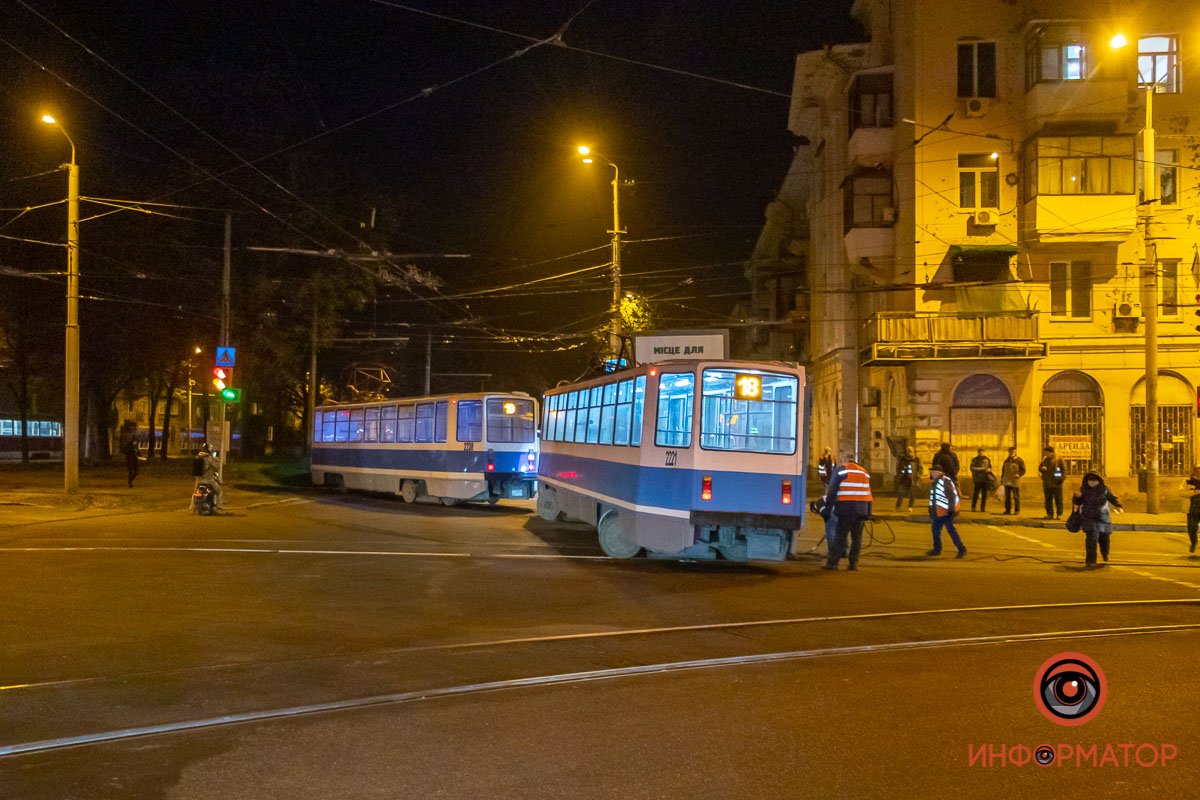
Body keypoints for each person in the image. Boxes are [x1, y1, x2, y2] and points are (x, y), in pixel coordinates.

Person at [822, 452, 872, 571]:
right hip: (861, 510)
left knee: (840, 536)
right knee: (857, 538)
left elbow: (832, 491)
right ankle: (853, 564)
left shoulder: (841, 471)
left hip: (846, 510)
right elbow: (869, 494)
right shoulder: (864, 472)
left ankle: (833, 563)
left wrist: (828, 509)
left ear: (845, 461)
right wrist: (869, 513)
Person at [1072, 471, 1123, 568]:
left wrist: (1119, 506)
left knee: (1104, 537)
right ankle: (1091, 560)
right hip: (1088, 516)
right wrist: (1076, 497)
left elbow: (1112, 498)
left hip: (1102, 516)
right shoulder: (1083, 490)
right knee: (1092, 537)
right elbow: (1077, 502)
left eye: (1094, 480)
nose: (1092, 482)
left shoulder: (1104, 490)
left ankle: (1105, 553)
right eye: (1090, 480)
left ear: (1099, 480)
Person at [927, 465, 967, 558]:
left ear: (938, 472)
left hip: (946, 512)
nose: (931, 473)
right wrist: (931, 509)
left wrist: (952, 509)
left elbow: (951, 496)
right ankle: (937, 549)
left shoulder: (945, 481)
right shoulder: (935, 482)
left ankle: (962, 549)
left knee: (951, 531)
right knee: (935, 531)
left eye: (933, 471)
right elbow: (934, 497)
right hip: (938, 512)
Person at [195, 442, 224, 513]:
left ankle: (193, 507)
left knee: (195, 492)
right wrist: (217, 460)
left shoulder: (198, 457)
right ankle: (218, 508)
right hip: (208, 480)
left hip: (199, 480)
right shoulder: (209, 458)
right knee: (219, 492)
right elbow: (217, 467)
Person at [1038, 446, 1066, 520]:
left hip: (1057, 483)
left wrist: (1057, 477)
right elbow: (1040, 467)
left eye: (1046, 452)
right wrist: (1042, 469)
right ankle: (1049, 514)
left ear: (1051, 452)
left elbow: (1063, 471)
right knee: (1048, 500)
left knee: (1058, 500)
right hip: (1047, 483)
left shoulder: (1059, 459)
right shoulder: (1045, 459)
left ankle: (1059, 514)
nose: (1045, 454)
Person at [1001, 447, 1026, 515]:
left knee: (1016, 496)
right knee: (1007, 496)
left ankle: (1017, 510)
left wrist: (1019, 474)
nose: (1011, 453)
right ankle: (1008, 510)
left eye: (1012, 451)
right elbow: (1003, 470)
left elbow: (1023, 470)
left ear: (1015, 452)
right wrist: (1002, 479)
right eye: (1010, 451)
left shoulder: (1019, 460)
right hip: (1007, 480)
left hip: (1015, 481)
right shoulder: (1006, 460)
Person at [1182, 467, 1200, 554]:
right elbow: (1181, 492)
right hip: (1192, 509)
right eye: (1197, 469)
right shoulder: (1187, 481)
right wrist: (1193, 493)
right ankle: (1194, 542)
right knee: (1191, 529)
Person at [969, 447, 992, 512]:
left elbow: (990, 467)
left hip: (985, 479)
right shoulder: (975, 459)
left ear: (984, 452)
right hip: (977, 479)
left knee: (984, 494)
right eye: (980, 451)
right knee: (976, 493)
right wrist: (982, 469)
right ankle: (973, 507)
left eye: (982, 451)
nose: (981, 453)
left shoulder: (987, 459)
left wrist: (989, 470)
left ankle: (983, 507)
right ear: (978, 452)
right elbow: (972, 468)